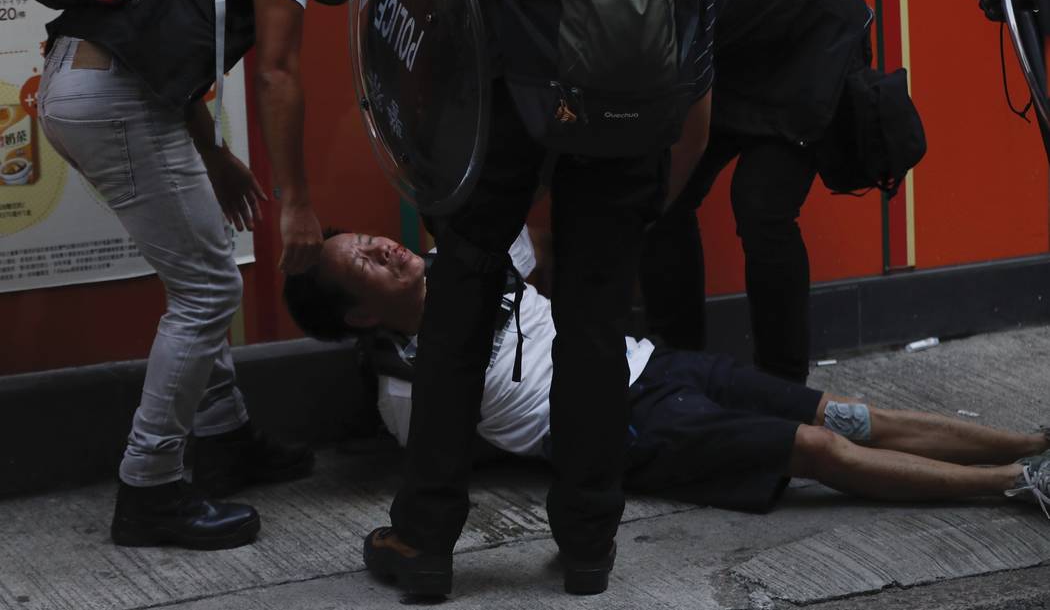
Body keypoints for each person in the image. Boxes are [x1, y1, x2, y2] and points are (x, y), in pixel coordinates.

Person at [340, 0, 713, 597]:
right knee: (596, 316)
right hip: (626, 92)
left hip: (518, 91)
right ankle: (588, 541)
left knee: (462, 299)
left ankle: (424, 536)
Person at [284, 228, 1050, 527]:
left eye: (372, 239)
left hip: (658, 362)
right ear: (357, 316)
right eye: (366, 262)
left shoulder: (471, 257)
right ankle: (1016, 482)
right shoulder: (403, 389)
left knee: (841, 410)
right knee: (817, 449)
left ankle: (1035, 441)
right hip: (626, 427)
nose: (385, 247)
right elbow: (456, 462)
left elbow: (546, 235)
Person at [35, 0, 362, 550]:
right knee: (209, 288)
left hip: (92, 83)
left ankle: (223, 435)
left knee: (194, 269)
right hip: (113, 96)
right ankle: (150, 488)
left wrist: (211, 151)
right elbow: (276, 69)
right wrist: (294, 200)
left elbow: (170, 25)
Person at [640, 0, 883, 383]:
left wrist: (655, 199)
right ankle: (680, 367)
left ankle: (783, 384)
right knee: (664, 201)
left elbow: (694, 132)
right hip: (748, 51)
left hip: (817, 42)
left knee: (759, 207)